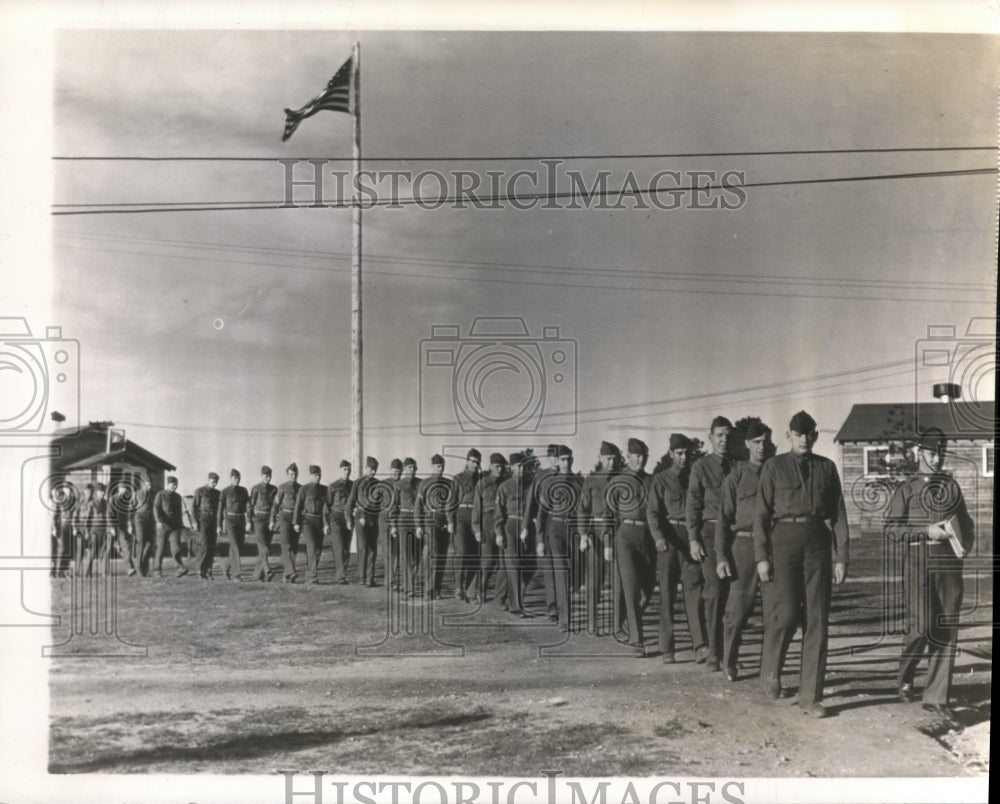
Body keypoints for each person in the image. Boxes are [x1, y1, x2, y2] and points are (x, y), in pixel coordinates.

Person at [754, 410, 849, 718]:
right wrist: (762, 557)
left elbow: (838, 516)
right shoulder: (773, 467)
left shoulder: (827, 468)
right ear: (789, 436)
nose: (804, 439)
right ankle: (771, 671)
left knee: (817, 619)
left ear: (815, 436)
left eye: (809, 434)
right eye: (798, 435)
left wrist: (841, 557)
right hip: (783, 540)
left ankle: (811, 697)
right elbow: (761, 516)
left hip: (817, 542)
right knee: (787, 613)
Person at [885, 427, 974, 717]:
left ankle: (936, 696)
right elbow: (891, 530)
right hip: (917, 559)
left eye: (941, 452)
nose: (936, 458)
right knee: (921, 626)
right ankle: (905, 675)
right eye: (931, 452)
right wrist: (925, 530)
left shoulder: (951, 487)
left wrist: (965, 544)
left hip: (949, 564)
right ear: (919, 452)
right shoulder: (906, 488)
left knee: (945, 628)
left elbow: (966, 524)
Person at [717, 421, 773, 681]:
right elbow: (724, 520)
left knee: (776, 610)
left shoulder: (777, 472)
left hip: (774, 546)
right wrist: (721, 556)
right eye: (757, 442)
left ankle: (770, 669)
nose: (762, 447)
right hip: (744, 545)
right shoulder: (736, 477)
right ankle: (729, 661)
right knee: (738, 609)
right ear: (748, 444)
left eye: (766, 441)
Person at [647, 433, 707, 663]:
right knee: (667, 593)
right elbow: (653, 512)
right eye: (679, 453)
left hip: (691, 537)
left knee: (694, 592)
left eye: (687, 453)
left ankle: (700, 645)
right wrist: (659, 537)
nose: (684, 457)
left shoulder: (694, 477)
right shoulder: (661, 480)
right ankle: (667, 648)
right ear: (671, 454)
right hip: (670, 539)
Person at [687, 415, 737, 671]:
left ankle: (730, 653)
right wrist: (694, 539)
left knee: (735, 596)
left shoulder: (737, 466)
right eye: (719, 435)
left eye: (728, 435)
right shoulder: (701, 467)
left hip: (735, 535)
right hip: (709, 533)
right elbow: (694, 505)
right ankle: (714, 653)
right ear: (710, 437)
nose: (724, 440)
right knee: (715, 593)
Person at [607, 438, 655, 657]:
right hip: (624, 536)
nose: (640, 460)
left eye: (643, 456)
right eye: (636, 456)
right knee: (632, 589)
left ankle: (626, 620)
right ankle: (637, 640)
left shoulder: (652, 481)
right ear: (628, 457)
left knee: (648, 589)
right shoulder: (618, 481)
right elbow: (609, 515)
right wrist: (608, 543)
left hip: (647, 537)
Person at [538, 445, 584, 631]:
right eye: (563, 459)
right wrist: (540, 540)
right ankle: (565, 618)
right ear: (557, 461)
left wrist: (583, 534)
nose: (567, 463)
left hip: (573, 528)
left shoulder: (580, 482)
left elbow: (584, 510)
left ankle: (562, 604)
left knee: (577, 570)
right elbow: (542, 514)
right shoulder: (549, 483)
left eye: (569, 459)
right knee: (561, 570)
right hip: (555, 528)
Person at [577, 441, 620, 634]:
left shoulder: (621, 478)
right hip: (596, 532)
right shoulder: (591, 480)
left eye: (614, 458)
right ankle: (592, 622)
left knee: (619, 581)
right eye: (608, 458)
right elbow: (583, 510)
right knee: (594, 579)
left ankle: (621, 623)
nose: (611, 462)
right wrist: (584, 535)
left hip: (617, 533)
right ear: (600, 458)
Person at [494, 452, 534, 618]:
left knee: (529, 565)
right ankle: (516, 606)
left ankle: (506, 599)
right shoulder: (504, 486)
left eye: (523, 466)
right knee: (513, 566)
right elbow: (499, 512)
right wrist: (499, 533)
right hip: (510, 526)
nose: (521, 469)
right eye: (518, 466)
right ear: (511, 467)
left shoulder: (530, 485)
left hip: (526, 527)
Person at [473, 452, 508, 608]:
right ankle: (480, 591)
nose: (500, 469)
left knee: (502, 562)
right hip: (487, 522)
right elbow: (477, 508)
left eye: (502, 466)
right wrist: (476, 529)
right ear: (490, 466)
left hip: (503, 523)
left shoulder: (506, 483)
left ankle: (499, 597)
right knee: (488, 561)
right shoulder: (483, 483)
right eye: (497, 466)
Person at [448, 448, 482, 602]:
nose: (475, 465)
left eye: (477, 462)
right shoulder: (458, 478)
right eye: (473, 461)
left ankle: (470, 589)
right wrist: (450, 521)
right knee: (461, 553)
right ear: (467, 461)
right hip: (461, 517)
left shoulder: (481, 479)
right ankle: (458, 587)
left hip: (476, 519)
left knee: (475, 554)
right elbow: (451, 501)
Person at [417, 454, 452, 600]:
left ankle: (437, 589)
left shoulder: (449, 483)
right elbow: (418, 506)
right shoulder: (425, 483)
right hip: (430, 519)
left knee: (442, 555)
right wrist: (419, 525)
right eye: (438, 465)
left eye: (442, 465)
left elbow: (452, 505)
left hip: (444, 519)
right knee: (433, 553)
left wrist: (450, 521)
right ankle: (429, 589)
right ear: (432, 466)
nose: (440, 468)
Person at [347, 456, 381, 587]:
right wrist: (349, 519)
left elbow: (378, 502)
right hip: (360, 517)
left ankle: (370, 578)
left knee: (373, 548)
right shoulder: (358, 482)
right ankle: (362, 577)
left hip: (374, 517)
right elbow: (351, 502)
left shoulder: (378, 484)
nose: (373, 472)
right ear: (366, 468)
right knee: (363, 547)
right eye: (371, 469)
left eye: (375, 469)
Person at [390, 458, 422, 597]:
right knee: (405, 554)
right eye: (409, 467)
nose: (412, 470)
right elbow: (393, 507)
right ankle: (409, 587)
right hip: (403, 519)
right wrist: (393, 525)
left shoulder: (421, 483)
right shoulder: (399, 484)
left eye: (414, 467)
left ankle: (408, 582)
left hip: (418, 521)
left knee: (418, 555)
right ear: (404, 469)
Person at [294, 465, 328, 585]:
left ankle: (309, 573)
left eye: (319, 475)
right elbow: (298, 506)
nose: (317, 477)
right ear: (310, 476)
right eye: (315, 475)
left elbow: (325, 508)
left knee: (318, 550)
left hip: (320, 521)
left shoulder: (325, 489)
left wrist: (326, 524)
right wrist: (296, 522)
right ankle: (313, 576)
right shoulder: (304, 489)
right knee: (312, 547)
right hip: (308, 521)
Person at [271, 463, 302, 583]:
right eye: (291, 474)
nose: (293, 476)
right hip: (284, 516)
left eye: (295, 474)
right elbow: (275, 505)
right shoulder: (282, 487)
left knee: (294, 547)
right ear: (287, 474)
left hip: (296, 518)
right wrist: (272, 519)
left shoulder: (301, 488)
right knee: (286, 545)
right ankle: (291, 572)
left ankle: (287, 574)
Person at [325, 460, 354, 584]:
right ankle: (341, 576)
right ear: (340, 470)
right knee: (339, 546)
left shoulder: (353, 485)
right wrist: (326, 523)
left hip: (348, 518)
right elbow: (327, 505)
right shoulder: (333, 486)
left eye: (349, 470)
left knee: (346, 548)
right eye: (345, 470)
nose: (347, 472)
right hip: (336, 517)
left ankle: (341, 574)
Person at [219, 469, 250, 581]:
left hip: (241, 519)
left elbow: (248, 506)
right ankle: (236, 574)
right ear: (230, 479)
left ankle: (226, 566)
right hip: (229, 520)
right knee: (235, 546)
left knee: (238, 547)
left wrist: (249, 521)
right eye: (234, 478)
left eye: (238, 478)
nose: (236, 480)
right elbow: (220, 509)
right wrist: (219, 525)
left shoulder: (244, 491)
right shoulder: (225, 492)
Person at [153, 476, 187, 578]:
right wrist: (158, 521)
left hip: (175, 526)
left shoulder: (177, 497)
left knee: (176, 547)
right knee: (161, 548)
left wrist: (180, 524)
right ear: (167, 484)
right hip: (163, 525)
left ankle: (180, 568)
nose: (175, 486)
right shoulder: (161, 495)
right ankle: (157, 570)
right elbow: (156, 508)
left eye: (176, 485)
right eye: (173, 485)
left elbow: (179, 512)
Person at [249, 466, 277, 582]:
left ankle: (257, 574)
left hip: (269, 518)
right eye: (266, 476)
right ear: (261, 476)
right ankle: (267, 570)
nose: (268, 478)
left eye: (270, 476)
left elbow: (275, 507)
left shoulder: (274, 489)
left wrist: (273, 520)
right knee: (263, 547)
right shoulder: (256, 488)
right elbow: (250, 505)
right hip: (259, 518)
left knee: (266, 548)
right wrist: (249, 521)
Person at [192, 472, 221, 579]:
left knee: (212, 546)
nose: (214, 484)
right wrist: (194, 522)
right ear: (208, 480)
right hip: (203, 519)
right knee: (204, 544)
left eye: (216, 482)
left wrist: (219, 525)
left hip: (213, 521)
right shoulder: (199, 491)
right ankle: (200, 569)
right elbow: (194, 507)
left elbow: (219, 510)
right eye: (213, 481)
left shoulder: (218, 493)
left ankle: (209, 570)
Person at [383, 459, 404, 591]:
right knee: (389, 552)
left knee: (397, 552)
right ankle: (390, 581)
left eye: (399, 471)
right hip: (386, 520)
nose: (397, 473)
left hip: (399, 519)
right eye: (395, 471)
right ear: (391, 470)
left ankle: (392, 580)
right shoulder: (384, 484)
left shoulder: (403, 484)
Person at [49, 482, 78, 578]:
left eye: (69, 489)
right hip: (60, 527)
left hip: (69, 527)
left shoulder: (73, 501)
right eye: (66, 489)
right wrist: (54, 528)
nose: (68, 491)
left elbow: (74, 515)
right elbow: (54, 515)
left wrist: (74, 528)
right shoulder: (59, 500)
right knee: (61, 549)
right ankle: (57, 571)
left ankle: (64, 571)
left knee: (68, 550)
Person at [132, 477, 156, 578]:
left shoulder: (154, 494)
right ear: (143, 484)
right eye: (147, 484)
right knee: (141, 543)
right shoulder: (137, 493)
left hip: (150, 520)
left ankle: (144, 568)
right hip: (139, 519)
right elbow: (131, 508)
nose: (149, 486)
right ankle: (138, 569)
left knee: (150, 543)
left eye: (150, 484)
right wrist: (130, 523)